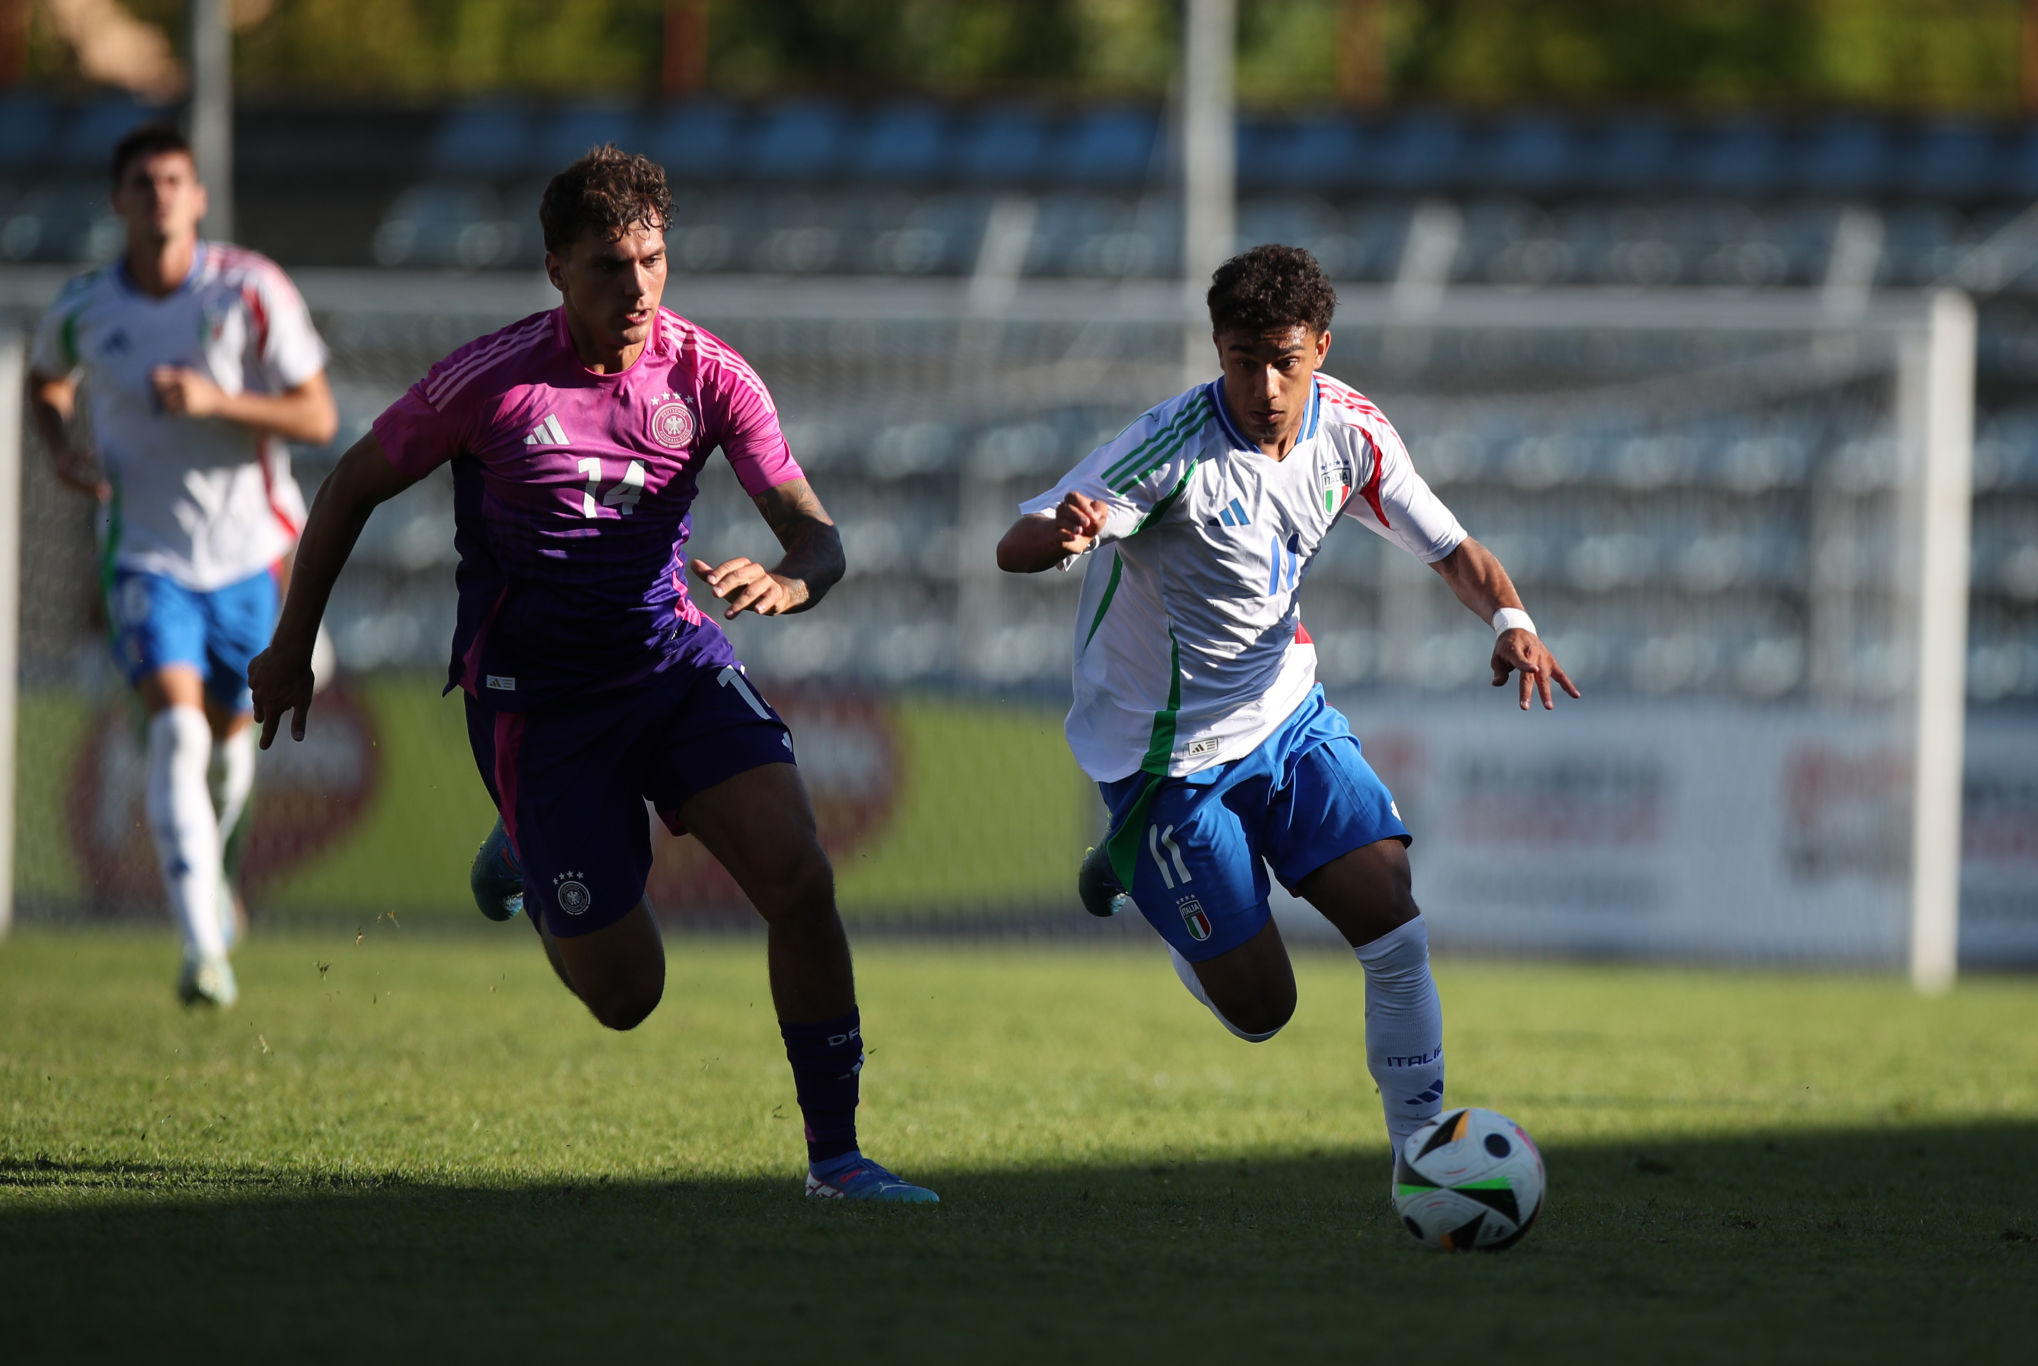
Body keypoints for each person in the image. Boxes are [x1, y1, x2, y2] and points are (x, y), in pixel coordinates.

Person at [247, 146, 937, 1204]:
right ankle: (529, 858)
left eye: (653, 261)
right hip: (540, 704)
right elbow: (347, 486)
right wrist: (292, 646)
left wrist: (793, 580)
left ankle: (836, 1160)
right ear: (556, 269)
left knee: (799, 878)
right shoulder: (490, 381)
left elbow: (818, 537)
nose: (638, 288)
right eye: (610, 266)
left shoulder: (709, 374)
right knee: (627, 996)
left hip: (671, 665)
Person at [996, 244, 1577, 1174]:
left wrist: (1512, 621)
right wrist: (1067, 533)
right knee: (1265, 1012)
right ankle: (1141, 872)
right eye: (1243, 361)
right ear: (1218, 349)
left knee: (1392, 918)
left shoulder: (1352, 431)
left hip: (1285, 716)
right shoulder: (1168, 448)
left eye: (1285, 360)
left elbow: (1452, 549)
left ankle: (1422, 1158)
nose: (1265, 386)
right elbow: (1015, 545)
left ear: (1321, 348)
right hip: (1167, 761)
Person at [27, 122, 337, 1007]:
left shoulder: (250, 288)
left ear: (198, 197)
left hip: (250, 558)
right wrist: (59, 446)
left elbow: (318, 418)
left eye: (174, 180)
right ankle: (203, 950)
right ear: (118, 201)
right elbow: (44, 380)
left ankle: (219, 878)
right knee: (176, 731)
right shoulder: (86, 307)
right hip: (145, 559)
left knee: (231, 753)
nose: (160, 195)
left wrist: (216, 401)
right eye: (144, 182)